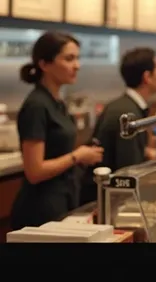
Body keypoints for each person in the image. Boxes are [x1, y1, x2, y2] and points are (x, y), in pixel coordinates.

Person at [10, 32, 104, 230]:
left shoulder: (58, 102)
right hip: (41, 208)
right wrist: (77, 156)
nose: (77, 65)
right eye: (69, 59)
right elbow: (34, 171)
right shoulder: (37, 105)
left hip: (63, 199)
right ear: (44, 64)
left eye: (77, 58)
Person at [79, 47, 156, 204]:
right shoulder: (127, 113)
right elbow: (128, 169)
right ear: (147, 77)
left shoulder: (124, 105)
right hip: (101, 202)